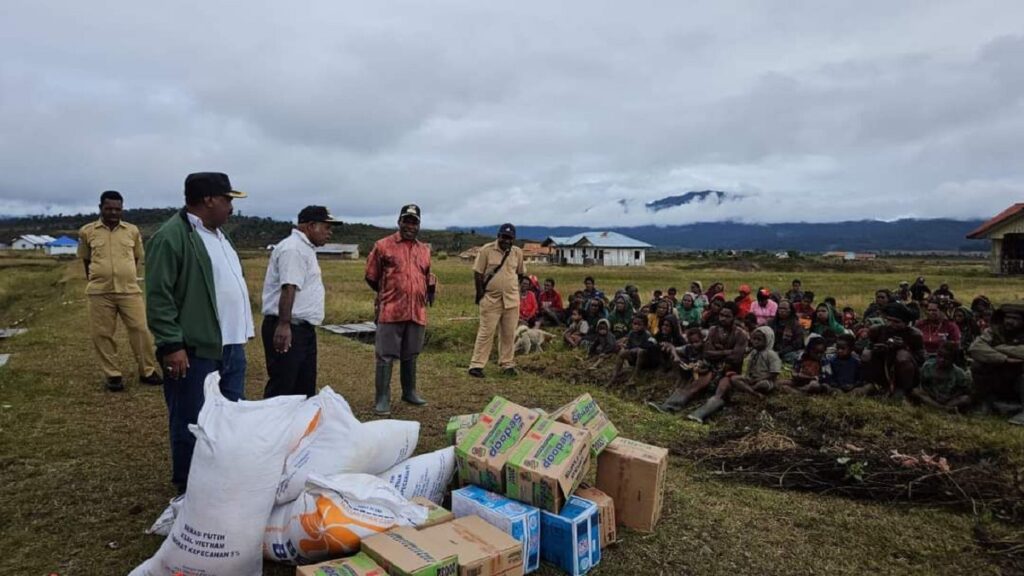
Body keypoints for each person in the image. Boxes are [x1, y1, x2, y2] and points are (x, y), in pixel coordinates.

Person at [146, 172, 253, 494]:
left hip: (231, 345)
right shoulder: (171, 237)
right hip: (194, 348)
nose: (232, 207)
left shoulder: (219, 235)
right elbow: (158, 296)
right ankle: (189, 488)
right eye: (228, 199)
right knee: (192, 420)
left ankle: (223, 479)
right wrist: (171, 344)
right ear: (209, 200)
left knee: (231, 417)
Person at [78, 190, 161, 392]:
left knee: (140, 330)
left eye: (117, 209)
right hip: (100, 292)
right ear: (101, 208)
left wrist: (126, 275)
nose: (113, 212)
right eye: (109, 208)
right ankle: (113, 375)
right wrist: (99, 277)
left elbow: (135, 258)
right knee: (102, 334)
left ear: (122, 209)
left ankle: (147, 371)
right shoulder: (87, 231)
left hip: (129, 291)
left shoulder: (132, 231)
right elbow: (86, 259)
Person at [262, 205, 340, 399]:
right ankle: (274, 429)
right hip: (289, 328)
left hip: (301, 329)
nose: (330, 233)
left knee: (303, 388)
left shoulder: (305, 249)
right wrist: (284, 324)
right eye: (326, 227)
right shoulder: (293, 249)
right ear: (311, 225)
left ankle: (297, 429)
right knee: (283, 388)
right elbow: (289, 287)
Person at [469, 223, 525, 378]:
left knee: (508, 334)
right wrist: (481, 294)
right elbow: (478, 273)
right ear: (498, 236)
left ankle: (507, 363)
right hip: (491, 299)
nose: (506, 241)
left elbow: (520, 274)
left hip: (512, 300)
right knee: (486, 332)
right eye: (504, 237)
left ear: (514, 239)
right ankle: (477, 365)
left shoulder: (517, 253)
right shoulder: (486, 250)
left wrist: (513, 288)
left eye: (510, 238)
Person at [683, 303, 749, 422]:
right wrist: (726, 352)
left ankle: (699, 415)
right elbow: (707, 353)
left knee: (720, 392)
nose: (723, 318)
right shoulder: (713, 330)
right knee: (695, 385)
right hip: (712, 367)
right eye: (721, 315)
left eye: (727, 316)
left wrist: (718, 352)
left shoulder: (741, 334)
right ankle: (669, 406)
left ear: (734, 317)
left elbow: (736, 358)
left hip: (730, 371)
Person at [968, 302, 1024, 425]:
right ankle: (985, 403)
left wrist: (998, 348)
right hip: (999, 376)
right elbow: (975, 348)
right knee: (978, 365)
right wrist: (1004, 358)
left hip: (1019, 378)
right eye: (1008, 317)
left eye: (1015, 319)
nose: (1010, 321)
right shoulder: (993, 331)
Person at [861, 302, 925, 397]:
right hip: (882, 366)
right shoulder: (877, 330)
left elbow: (921, 358)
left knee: (902, 355)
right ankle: (875, 385)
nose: (891, 324)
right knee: (866, 354)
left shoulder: (914, 334)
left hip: (904, 370)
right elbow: (864, 349)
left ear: (906, 323)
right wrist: (876, 349)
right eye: (889, 320)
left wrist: (904, 347)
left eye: (896, 322)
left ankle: (905, 390)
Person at [913, 342, 972, 413]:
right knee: (915, 392)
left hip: (949, 399)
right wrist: (931, 394)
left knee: (966, 399)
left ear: (953, 360)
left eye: (946, 358)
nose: (942, 360)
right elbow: (922, 384)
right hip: (931, 397)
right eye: (940, 356)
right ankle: (942, 409)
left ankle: (939, 407)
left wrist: (951, 397)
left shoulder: (958, 373)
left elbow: (963, 390)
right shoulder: (928, 367)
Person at [609, 315, 659, 386]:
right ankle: (616, 374)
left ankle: (635, 376)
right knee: (622, 352)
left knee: (641, 351)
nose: (636, 326)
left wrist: (638, 348)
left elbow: (652, 347)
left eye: (639, 324)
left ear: (645, 326)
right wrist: (624, 346)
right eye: (635, 324)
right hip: (634, 358)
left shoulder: (648, 335)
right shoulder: (631, 333)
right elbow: (629, 346)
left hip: (646, 361)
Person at [770, 300, 805, 364]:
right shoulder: (772, 322)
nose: (782, 311)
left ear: (790, 310)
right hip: (773, 350)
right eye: (780, 308)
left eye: (785, 309)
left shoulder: (796, 325)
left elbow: (797, 344)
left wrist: (781, 352)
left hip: (789, 351)